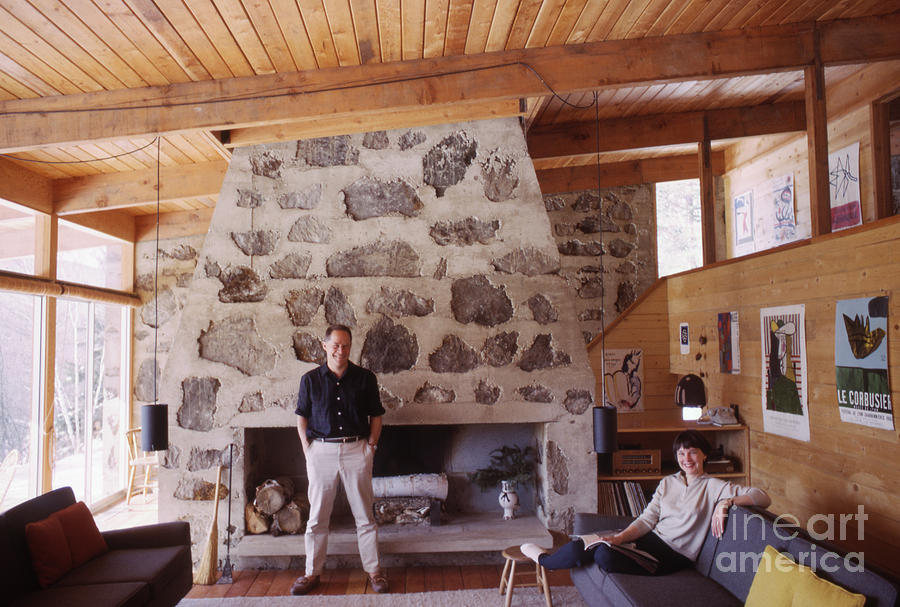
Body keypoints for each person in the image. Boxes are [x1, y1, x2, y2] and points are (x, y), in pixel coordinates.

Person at [521, 429, 771, 576]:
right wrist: (621, 537)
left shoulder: (715, 486)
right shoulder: (668, 482)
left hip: (673, 555)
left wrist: (726, 502)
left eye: (693, 452)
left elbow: (763, 497)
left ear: (705, 454)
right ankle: (543, 560)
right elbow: (647, 519)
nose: (687, 458)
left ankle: (557, 557)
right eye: (681, 453)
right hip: (649, 539)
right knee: (582, 546)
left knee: (604, 557)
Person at [290, 324, 388, 595]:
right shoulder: (309, 380)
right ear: (324, 346)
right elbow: (302, 416)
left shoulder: (365, 378)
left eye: (345, 345)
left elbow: (376, 415)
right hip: (320, 452)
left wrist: (372, 446)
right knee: (317, 517)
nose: (340, 350)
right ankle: (312, 573)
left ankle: (375, 572)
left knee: (365, 516)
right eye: (335, 345)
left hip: (357, 450)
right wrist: (306, 449)